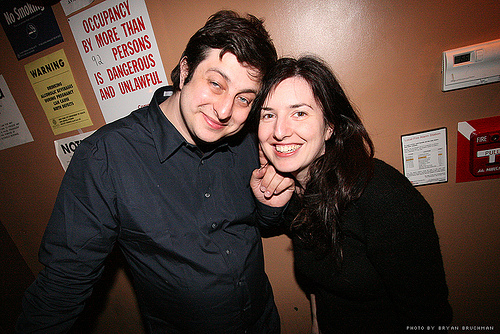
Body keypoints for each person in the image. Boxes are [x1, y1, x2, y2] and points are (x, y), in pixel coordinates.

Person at [17, 11, 294, 333]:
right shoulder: (107, 156)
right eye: (216, 84)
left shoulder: (247, 140)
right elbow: (63, 282)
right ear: (186, 69)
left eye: (244, 99)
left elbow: (264, 225)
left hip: (263, 321)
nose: (224, 111)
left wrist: (270, 207)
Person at [251, 56, 453, 333]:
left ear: (330, 126)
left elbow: (430, 318)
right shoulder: (301, 190)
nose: (279, 131)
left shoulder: (384, 196)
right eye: (268, 114)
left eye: (299, 113)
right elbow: (321, 284)